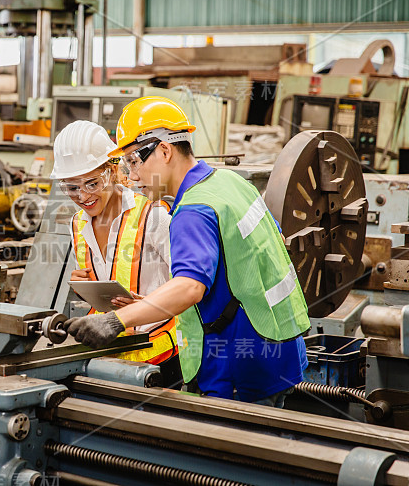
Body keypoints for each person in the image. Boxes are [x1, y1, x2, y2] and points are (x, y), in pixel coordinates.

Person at [63, 97, 309, 407]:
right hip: (277, 346)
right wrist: (145, 304)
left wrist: (115, 322)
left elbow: (190, 287)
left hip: (237, 363)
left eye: (134, 162)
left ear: (164, 150)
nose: (134, 177)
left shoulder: (193, 210)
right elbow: (241, 262)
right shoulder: (229, 183)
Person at [51, 120, 180, 385]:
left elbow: (191, 287)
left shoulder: (154, 217)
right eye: (72, 188)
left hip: (160, 358)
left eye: (91, 183)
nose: (83, 196)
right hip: (108, 357)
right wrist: (86, 287)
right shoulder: (78, 223)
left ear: (112, 172)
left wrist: (142, 306)